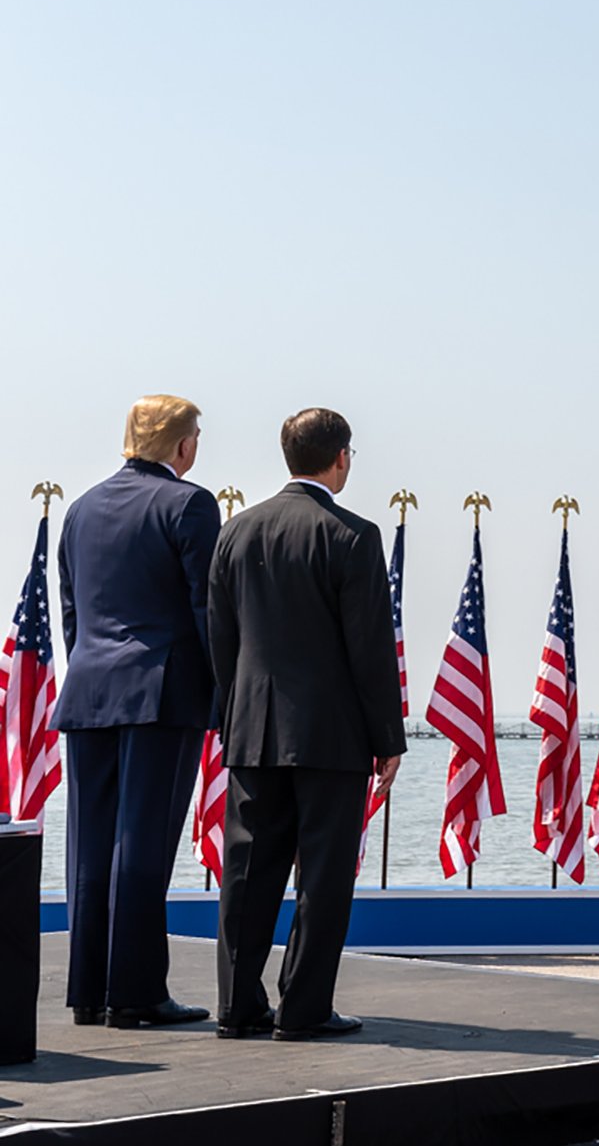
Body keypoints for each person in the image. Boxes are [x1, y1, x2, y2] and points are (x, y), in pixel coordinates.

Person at [208, 408, 404, 1041]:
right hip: (331, 735)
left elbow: (222, 639)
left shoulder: (236, 531)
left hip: (252, 728)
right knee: (321, 875)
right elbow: (369, 649)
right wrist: (387, 739)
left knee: (245, 871)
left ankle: (238, 1008)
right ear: (340, 457)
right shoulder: (354, 535)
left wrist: (232, 714)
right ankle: (304, 1008)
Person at [55, 395, 219, 1028]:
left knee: (91, 848)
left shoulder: (81, 508)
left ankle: (89, 992)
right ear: (181, 446)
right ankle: (137, 993)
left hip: (91, 689)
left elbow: (71, 610)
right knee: (143, 845)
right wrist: (225, 693)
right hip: (162, 692)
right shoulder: (188, 503)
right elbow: (209, 610)